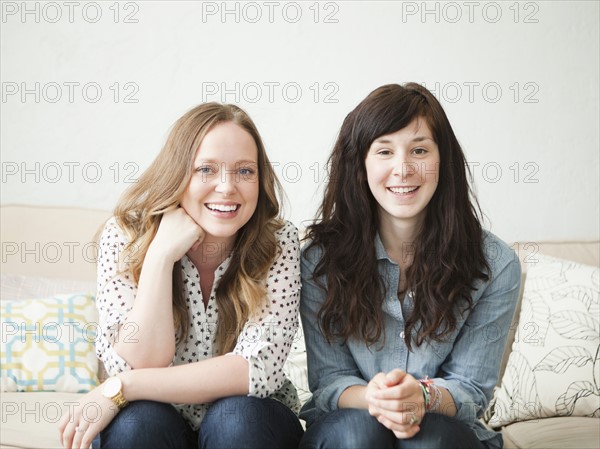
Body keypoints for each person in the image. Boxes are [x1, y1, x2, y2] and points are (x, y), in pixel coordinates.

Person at [58, 103, 304, 449]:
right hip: (156, 419)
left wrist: (125, 387)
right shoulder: (126, 235)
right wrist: (160, 256)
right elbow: (134, 361)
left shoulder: (278, 241)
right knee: (137, 425)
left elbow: (256, 369)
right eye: (206, 169)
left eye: (244, 171)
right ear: (177, 174)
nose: (227, 187)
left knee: (235, 419)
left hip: (249, 421)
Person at [299, 83, 521, 449]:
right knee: (359, 435)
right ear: (360, 165)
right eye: (384, 151)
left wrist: (421, 397)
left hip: (442, 425)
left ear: (442, 161)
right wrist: (378, 398)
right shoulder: (320, 261)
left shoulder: (495, 265)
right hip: (348, 425)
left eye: (419, 150)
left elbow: (470, 389)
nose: (402, 169)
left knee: (431, 441)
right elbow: (330, 380)